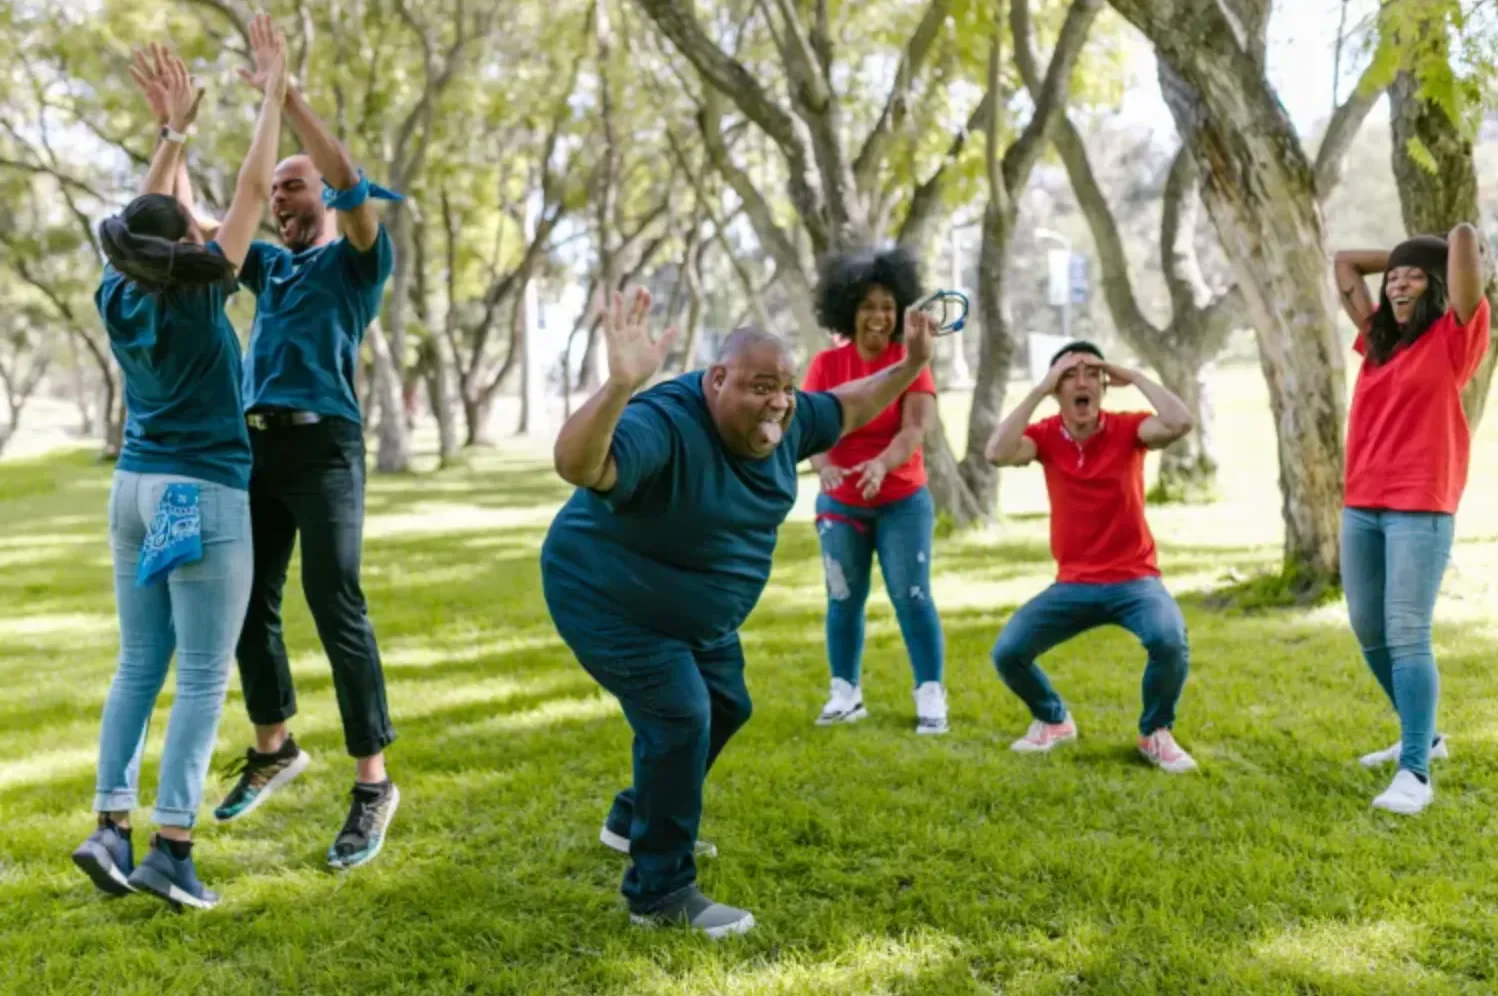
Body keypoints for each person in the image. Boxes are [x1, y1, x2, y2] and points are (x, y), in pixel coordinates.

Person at [540, 288, 937, 937]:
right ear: (715, 379)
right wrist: (618, 388)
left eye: (784, 387)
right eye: (760, 387)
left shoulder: (789, 418)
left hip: (694, 611)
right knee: (681, 715)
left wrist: (909, 364)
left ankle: (633, 818)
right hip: (608, 595)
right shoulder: (666, 423)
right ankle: (658, 893)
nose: (779, 401)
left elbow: (847, 405)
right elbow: (577, 462)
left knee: (726, 705)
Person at [71, 28, 287, 910]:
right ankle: (171, 847)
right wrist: (272, 94)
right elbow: (246, 193)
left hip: (135, 491)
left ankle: (109, 828)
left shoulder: (115, 292)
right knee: (200, 676)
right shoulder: (203, 292)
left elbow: (152, 221)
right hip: (199, 494)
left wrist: (172, 136)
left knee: (138, 663)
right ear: (188, 250)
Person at [201, 16, 402, 869]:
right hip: (257, 449)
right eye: (278, 189)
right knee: (245, 603)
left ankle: (372, 784)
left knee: (335, 603)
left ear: (320, 195)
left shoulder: (357, 260)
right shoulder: (270, 268)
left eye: (295, 186)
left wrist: (291, 97)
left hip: (326, 450)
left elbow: (353, 183)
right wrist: (180, 131)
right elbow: (219, 217)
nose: (280, 197)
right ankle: (276, 745)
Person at [983, 340, 1200, 773]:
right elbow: (997, 452)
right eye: (1068, 375)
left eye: (1091, 374)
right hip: (1074, 584)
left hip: (1134, 579)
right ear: (1054, 388)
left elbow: (1179, 421)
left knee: (1169, 640)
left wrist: (1134, 375)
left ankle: (1154, 732)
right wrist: (1038, 391)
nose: (1081, 383)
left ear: (1104, 385)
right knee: (1008, 653)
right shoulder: (1045, 437)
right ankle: (1053, 719)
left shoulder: (1127, 429)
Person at [1332, 225, 1489, 815]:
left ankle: (1415, 773)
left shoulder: (1454, 338)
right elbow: (1345, 260)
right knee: (1368, 627)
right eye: (1393, 276)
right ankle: (1425, 735)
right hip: (1362, 504)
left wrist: (1443, 247)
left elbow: (1466, 243)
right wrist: (1403, 253)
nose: (1397, 282)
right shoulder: (1376, 340)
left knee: (1406, 632)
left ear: (1437, 286)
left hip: (1420, 506)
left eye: (1412, 276)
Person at [801, 248, 947, 733]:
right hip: (841, 502)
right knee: (843, 597)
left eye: (888, 306)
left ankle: (930, 693)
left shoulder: (911, 363)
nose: (879, 317)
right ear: (848, 311)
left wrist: (881, 465)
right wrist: (824, 467)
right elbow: (811, 429)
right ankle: (845, 692)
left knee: (912, 595)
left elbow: (914, 430)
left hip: (901, 498)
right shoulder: (826, 365)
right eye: (868, 306)